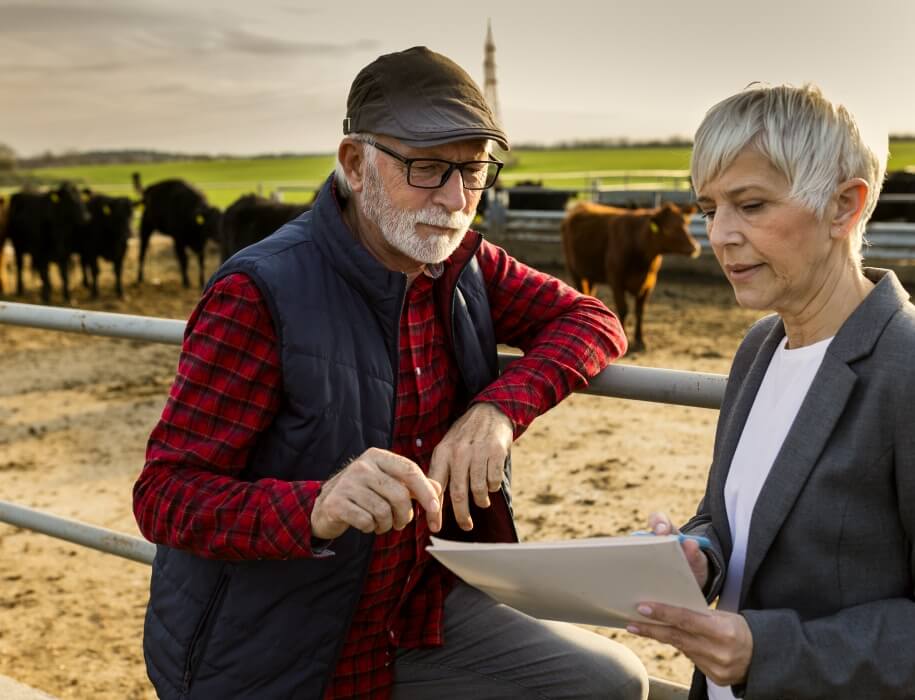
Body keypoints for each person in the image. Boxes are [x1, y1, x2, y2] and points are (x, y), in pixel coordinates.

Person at [133, 46, 648, 700]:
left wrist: (497, 411)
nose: (457, 199)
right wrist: (315, 505)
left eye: (473, 169)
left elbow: (592, 319)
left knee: (607, 681)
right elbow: (165, 495)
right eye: (428, 168)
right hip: (283, 641)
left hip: (410, 611)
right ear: (355, 164)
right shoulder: (258, 293)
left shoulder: (464, 263)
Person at [626, 83, 915, 699]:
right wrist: (699, 553)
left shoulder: (906, 367)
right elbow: (737, 518)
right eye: (708, 208)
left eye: (750, 205)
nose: (719, 236)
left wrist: (771, 651)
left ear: (845, 206)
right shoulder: (761, 345)